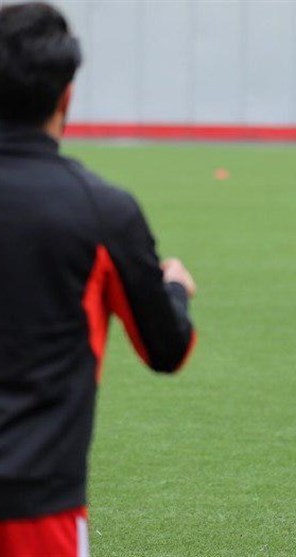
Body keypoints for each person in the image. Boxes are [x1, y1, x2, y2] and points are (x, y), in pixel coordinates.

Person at [0, 3, 197, 555]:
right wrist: (175, 287)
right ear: (66, 96)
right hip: (36, 508)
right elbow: (167, 349)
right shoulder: (102, 212)